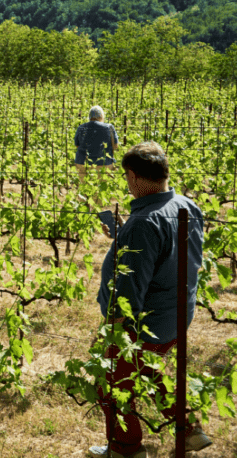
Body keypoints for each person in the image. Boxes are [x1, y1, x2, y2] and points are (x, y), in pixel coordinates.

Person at [87, 142, 211, 458]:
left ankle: (125, 449)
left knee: (111, 385)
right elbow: (169, 252)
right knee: (148, 370)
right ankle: (191, 429)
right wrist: (123, 235)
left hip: (142, 324)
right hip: (176, 316)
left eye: (127, 176)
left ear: (137, 178)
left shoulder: (142, 223)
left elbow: (129, 288)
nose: (127, 183)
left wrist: (113, 331)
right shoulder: (187, 206)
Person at [76, 105, 119, 180]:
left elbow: (77, 145)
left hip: (82, 163)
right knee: (102, 188)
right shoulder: (109, 127)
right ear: (102, 116)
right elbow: (115, 146)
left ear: (89, 117)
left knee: (85, 187)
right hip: (103, 164)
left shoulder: (81, 128)